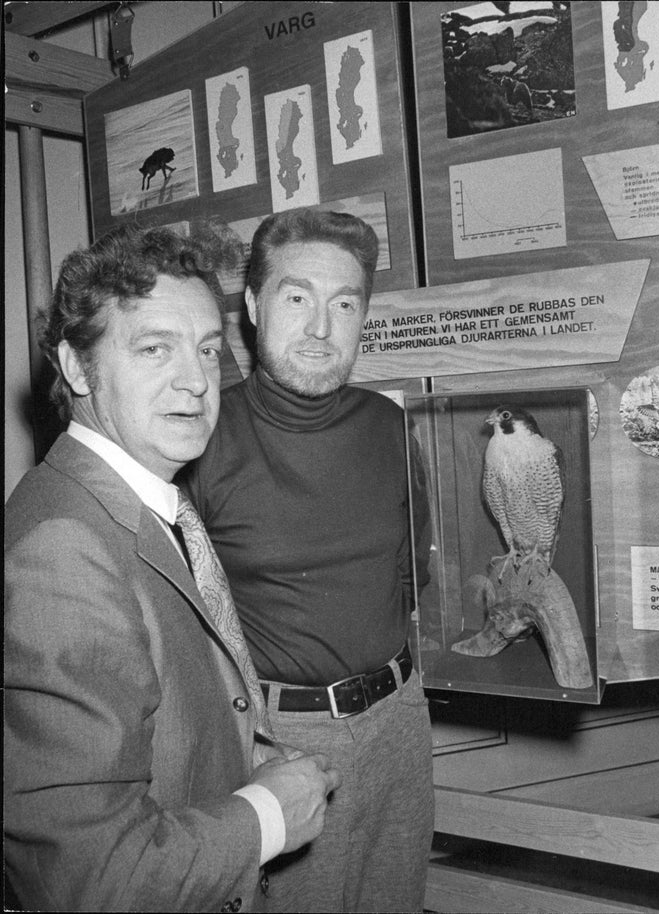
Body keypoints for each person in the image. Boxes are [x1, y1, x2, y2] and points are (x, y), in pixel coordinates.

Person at [4, 224, 342, 913]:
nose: (196, 381)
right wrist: (266, 817)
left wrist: (241, 760)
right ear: (76, 367)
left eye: (208, 350)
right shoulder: (62, 549)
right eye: (156, 348)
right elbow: (87, 879)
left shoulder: (149, 500)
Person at [181, 208, 434, 913]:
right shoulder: (203, 437)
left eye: (344, 304)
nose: (322, 327)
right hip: (278, 740)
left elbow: (417, 572)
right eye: (298, 298)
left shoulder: (388, 426)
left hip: (399, 722)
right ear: (255, 307)